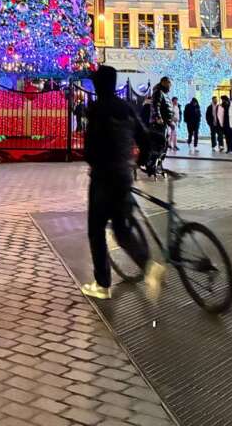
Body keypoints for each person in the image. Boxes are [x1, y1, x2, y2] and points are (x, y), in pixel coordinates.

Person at [81, 65, 151, 300]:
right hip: (123, 175)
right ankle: (149, 267)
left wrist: (92, 159)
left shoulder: (98, 109)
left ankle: (102, 284)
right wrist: (139, 161)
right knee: (121, 230)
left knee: (96, 230)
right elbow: (144, 136)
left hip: (102, 177)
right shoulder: (126, 107)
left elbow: (89, 149)